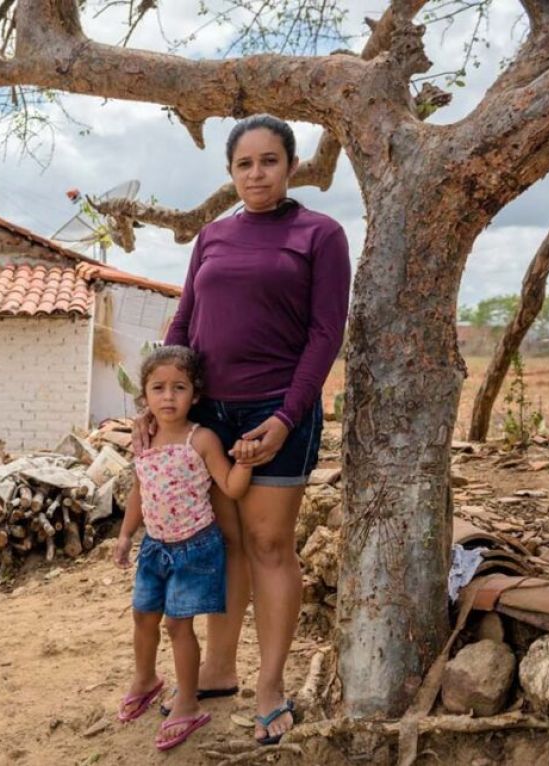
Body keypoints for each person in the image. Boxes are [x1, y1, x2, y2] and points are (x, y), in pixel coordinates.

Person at [137, 114, 351, 745]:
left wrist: (285, 419)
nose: (256, 174)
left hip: (277, 410)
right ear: (230, 172)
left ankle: (270, 685)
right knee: (221, 542)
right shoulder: (211, 236)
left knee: (268, 546)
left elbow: (325, 334)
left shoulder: (320, 234)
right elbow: (185, 321)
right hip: (209, 413)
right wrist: (160, 404)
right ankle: (221, 669)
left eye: (269, 161)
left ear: (291, 167)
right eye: (244, 164)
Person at [115, 345, 253, 751]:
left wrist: (244, 460)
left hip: (195, 549)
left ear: (195, 395)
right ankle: (145, 679)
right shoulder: (145, 439)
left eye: (179, 387)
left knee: (178, 625)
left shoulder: (202, 439)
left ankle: (189, 703)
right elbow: (140, 489)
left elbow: (229, 486)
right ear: (144, 396)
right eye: (158, 388)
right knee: (143, 615)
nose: (168, 397)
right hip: (154, 547)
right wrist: (125, 534)